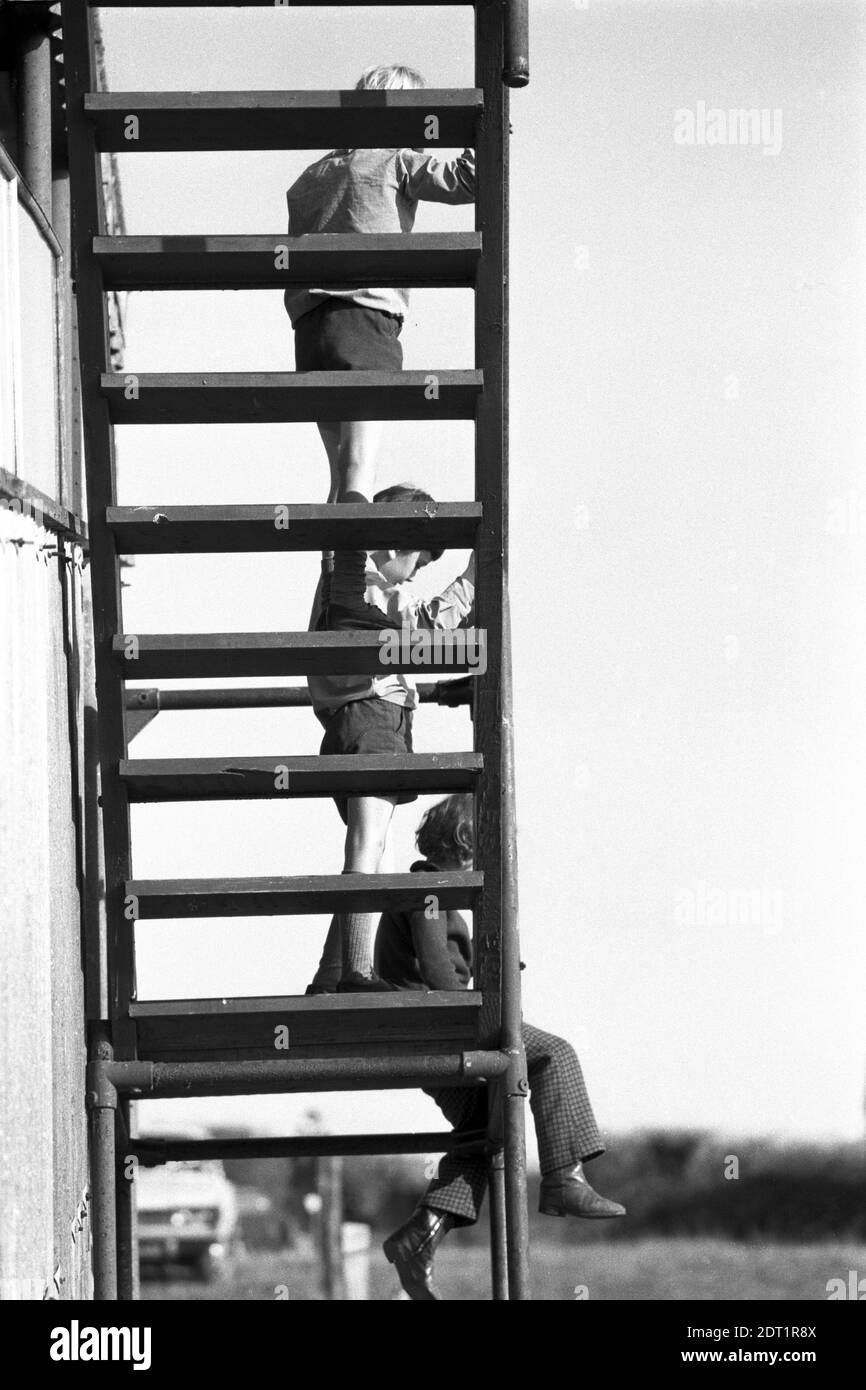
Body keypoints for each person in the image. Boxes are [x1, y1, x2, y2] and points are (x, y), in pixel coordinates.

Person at [376, 793, 626, 1300]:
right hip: (439, 1026)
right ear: (465, 844)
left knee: (485, 1129)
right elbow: (439, 976)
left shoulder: (436, 890)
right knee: (555, 1053)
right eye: (480, 848)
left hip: (431, 1029)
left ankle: (422, 1234)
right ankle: (563, 1177)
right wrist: (488, 996)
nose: (484, 861)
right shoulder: (429, 888)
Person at [284, 62, 476, 624]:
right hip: (367, 323)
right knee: (360, 471)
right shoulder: (396, 160)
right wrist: (483, 133)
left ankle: (335, 579)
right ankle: (347, 593)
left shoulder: (313, 175)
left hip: (311, 331)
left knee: (337, 474)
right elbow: (467, 180)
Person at [305, 486, 476, 992]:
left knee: (370, 846)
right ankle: (353, 971)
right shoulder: (367, 586)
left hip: (358, 720)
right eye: (418, 562)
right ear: (398, 540)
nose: (417, 572)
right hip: (374, 717)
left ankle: (332, 971)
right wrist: (471, 579)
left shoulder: (343, 579)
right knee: (367, 845)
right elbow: (426, 625)